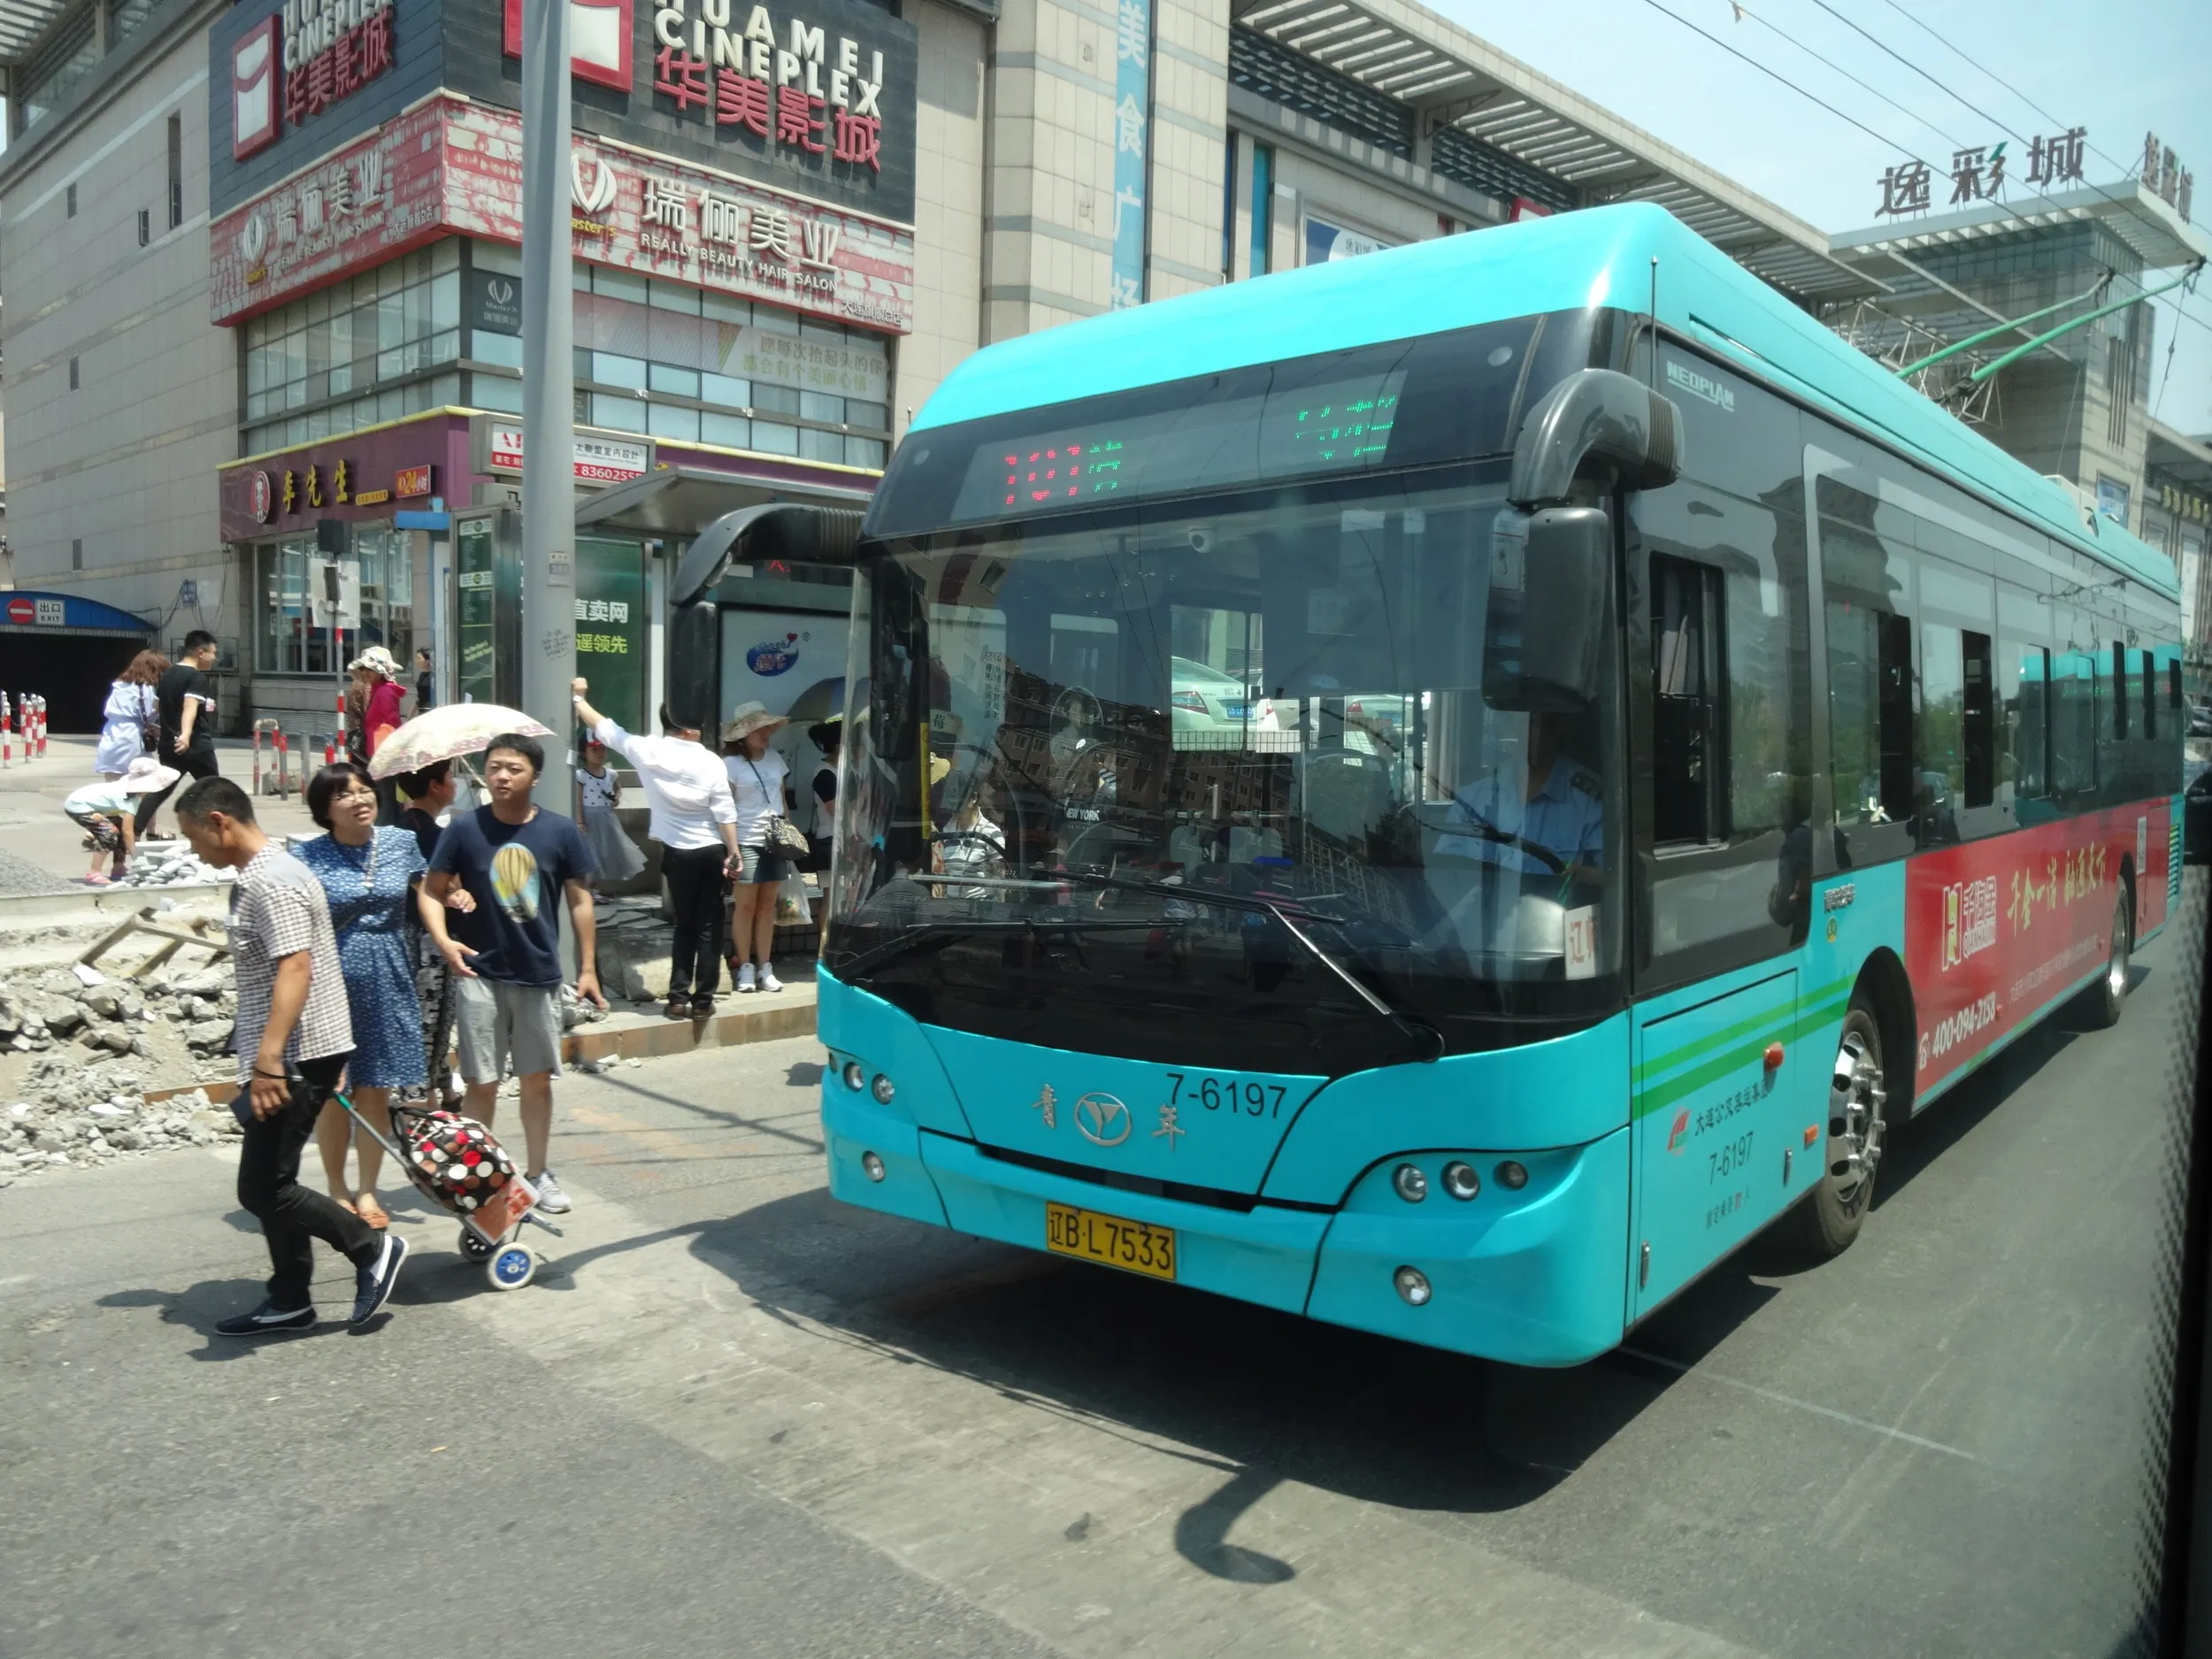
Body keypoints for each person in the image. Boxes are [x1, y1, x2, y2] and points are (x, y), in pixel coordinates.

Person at [173, 775, 407, 1336]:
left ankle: (371, 1248)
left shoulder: (270, 882)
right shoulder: (269, 871)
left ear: (218, 822)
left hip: (297, 1054)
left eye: (192, 838)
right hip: (293, 1050)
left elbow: (295, 968)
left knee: (263, 1187)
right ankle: (289, 1298)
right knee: (273, 1179)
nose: (194, 851)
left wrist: (269, 1061)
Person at [418, 733, 604, 1215]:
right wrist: (443, 940)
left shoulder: (561, 832)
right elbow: (430, 890)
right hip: (478, 973)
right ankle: (485, 1180)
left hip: (538, 973)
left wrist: (587, 968)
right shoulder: (463, 829)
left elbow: (581, 901)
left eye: (514, 768)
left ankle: (539, 1173)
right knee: (481, 1083)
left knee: (536, 1079)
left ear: (535, 778)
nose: (502, 775)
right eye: (495, 767)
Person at [296, 763, 436, 1232]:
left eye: (364, 790)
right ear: (324, 811)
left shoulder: (400, 842)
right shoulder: (307, 857)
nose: (360, 799)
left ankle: (370, 1187)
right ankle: (336, 1188)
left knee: (374, 1088)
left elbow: (429, 890)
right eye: (344, 795)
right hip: (329, 985)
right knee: (334, 1091)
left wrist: (456, 898)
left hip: (390, 976)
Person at [572, 681, 740, 1019]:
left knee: (685, 925)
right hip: (711, 851)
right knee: (709, 925)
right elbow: (725, 812)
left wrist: (578, 697)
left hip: (677, 854)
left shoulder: (648, 751)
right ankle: (703, 1001)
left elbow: (605, 728)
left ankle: (677, 999)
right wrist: (733, 853)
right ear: (692, 727)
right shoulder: (711, 761)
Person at [1434, 710, 1603, 889]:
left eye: (1530, 722)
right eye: (1509, 723)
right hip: (1476, 911)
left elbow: (1612, 881)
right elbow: (1446, 873)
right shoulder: (1472, 799)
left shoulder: (1591, 802)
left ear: (1557, 726)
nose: (1518, 732)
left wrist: (1582, 876)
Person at [394, 759, 472, 1104]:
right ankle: (422, 1110)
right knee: (431, 1026)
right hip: (432, 942)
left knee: (419, 1020)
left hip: (401, 937)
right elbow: (445, 889)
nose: (454, 783)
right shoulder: (436, 837)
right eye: (449, 777)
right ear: (435, 786)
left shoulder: (394, 827)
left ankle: (443, 1088)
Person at [722, 702, 792, 994]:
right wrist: (732, 848)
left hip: (775, 841)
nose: (765, 733)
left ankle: (766, 967)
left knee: (767, 907)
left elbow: (782, 799)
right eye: (758, 728)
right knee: (745, 906)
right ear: (743, 733)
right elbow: (724, 808)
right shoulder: (730, 765)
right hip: (745, 840)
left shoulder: (775, 758)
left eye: (767, 728)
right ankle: (746, 968)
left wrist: (790, 836)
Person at [134, 630, 220, 839]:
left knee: (160, 790)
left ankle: (133, 831)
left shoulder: (168, 675)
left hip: (169, 746)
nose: (214, 658)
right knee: (215, 790)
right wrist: (186, 735)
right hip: (196, 746)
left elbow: (156, 707)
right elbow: (190, 707)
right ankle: (217, 834)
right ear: (201, 652)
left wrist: (162, 728)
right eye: (212, 653)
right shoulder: (195, 677)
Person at [63, 756, 174, 885]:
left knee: (118, 830)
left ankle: (118, 868)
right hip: (78, 806)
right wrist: (135, 855)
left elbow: (126, 830)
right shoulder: (128, 798)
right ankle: (94, 873)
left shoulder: (130, 794)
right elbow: (128, 831)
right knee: (108, 833)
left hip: (90, 804)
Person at [574, 734, 648, 895]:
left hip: (607, 818)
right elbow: (578, 800)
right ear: (584, 753)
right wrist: (580, 821)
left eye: (602, 749)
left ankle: (594, 889)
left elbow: (618, 789)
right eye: (594, 750)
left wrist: (616, 800)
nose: (599, 753)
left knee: (604, 853)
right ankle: (587, 890)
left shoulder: (611, 773)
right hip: (589, 818)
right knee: (591, 854)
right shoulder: (581, 775)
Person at [349, 647, 408, 823]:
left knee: (386, 797)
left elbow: (391, 723)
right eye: (363, 669)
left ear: (380, 671)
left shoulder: (385, 691)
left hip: (385, 753)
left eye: (370, 669)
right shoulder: (377, 689)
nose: (366, 673)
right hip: (377, 753)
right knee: (384, 795)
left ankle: (384, 834)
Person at [94, 649, 165, 780]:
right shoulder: (145, 688)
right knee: (140, 777)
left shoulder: (119, 685)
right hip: (131, 737)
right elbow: (147, 715)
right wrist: (159, 709)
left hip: (112, 732)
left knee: (113, 778)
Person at [803, 718, 841, 874]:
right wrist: (863, 795)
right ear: (839, 746)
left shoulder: (842, 771)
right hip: (830, 839)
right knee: (831, 893)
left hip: (842, 839)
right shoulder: (825, 774)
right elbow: (836, 811)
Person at [414, 649, 435, 713]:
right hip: (421, 709)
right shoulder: (422, 675)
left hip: (430, 710)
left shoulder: (434, 676)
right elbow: (419, 697)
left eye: (419, 658)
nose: (417, 661)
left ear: (428, 660)